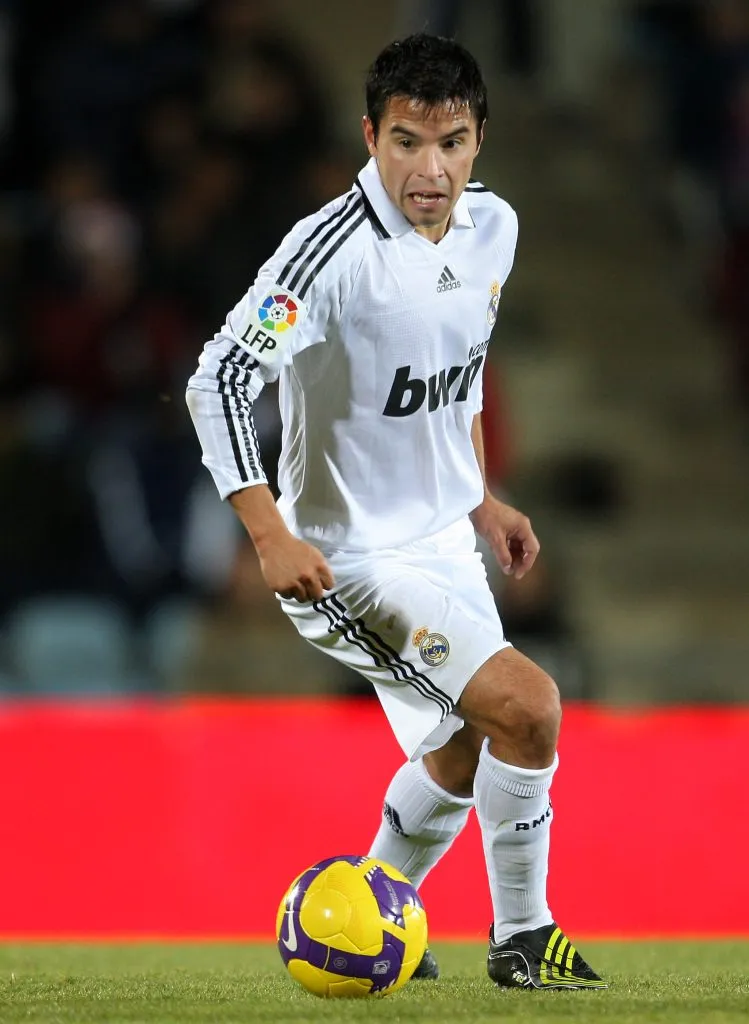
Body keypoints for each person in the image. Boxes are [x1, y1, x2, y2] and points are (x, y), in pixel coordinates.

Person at [186, 33, 606, 991]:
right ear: (368, 136)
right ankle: (522, 935)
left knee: (478, 739)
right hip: (346, 559)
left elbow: (447, 384)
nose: (430, 169)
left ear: (479, 139)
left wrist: (479, 496)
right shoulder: (325, 254)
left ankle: (369, 899)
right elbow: (218, 382)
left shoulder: (491, 227)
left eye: (450, 142)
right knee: (529, 706)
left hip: (442, 538)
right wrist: (268, 532)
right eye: (407, 142)